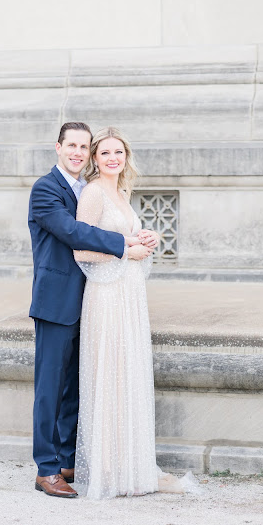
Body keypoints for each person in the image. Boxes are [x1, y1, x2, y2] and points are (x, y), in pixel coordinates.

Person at [28, 122, 158, 499]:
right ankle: (46, 469)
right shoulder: (45, 190)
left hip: (95, 297)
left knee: (74, 389)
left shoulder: (89, 189)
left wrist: (144, 236)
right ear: (58, 147)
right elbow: (72, 233)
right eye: (72, 145)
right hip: (56, 301)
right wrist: (124, 244)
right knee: (50, 389)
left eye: (84, 146)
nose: (77, 152)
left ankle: (68, 460)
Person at [74, 126, 196, 499]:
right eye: (105, 153)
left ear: (126, 158)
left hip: (128, 294)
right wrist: (126, 250)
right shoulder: (93, 192)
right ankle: (110, 469)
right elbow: (81, 250)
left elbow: (123, 238)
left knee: (128, 373)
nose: (113, 158)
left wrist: (145, 238)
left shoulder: (123, 193)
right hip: (107, 296)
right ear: (95, 159)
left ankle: (132, 463)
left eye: (119, 153)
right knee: (110, 374)